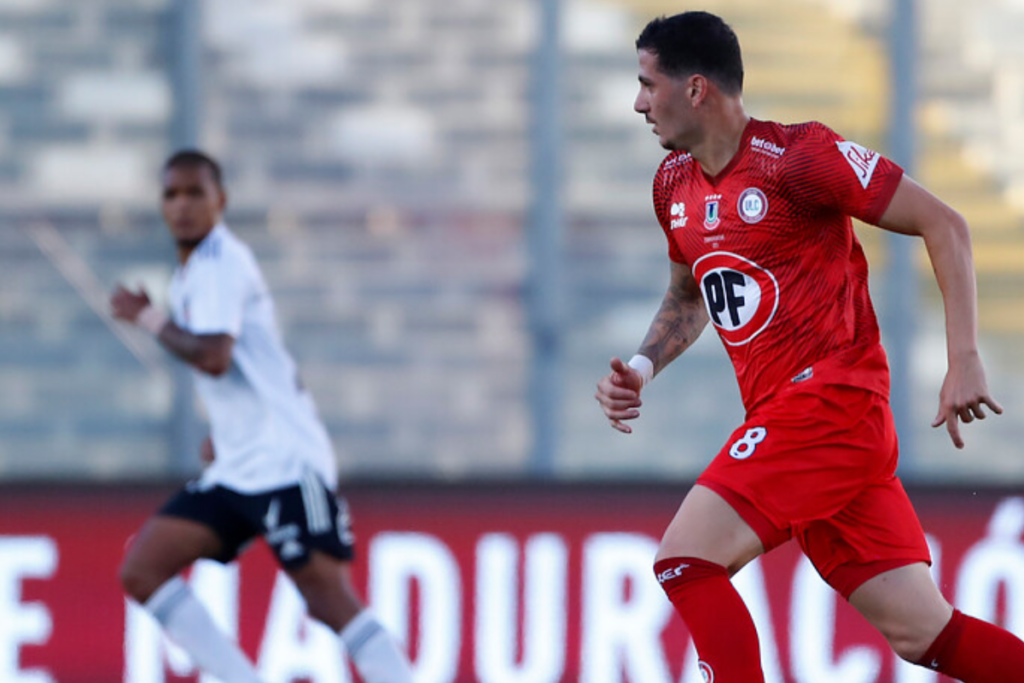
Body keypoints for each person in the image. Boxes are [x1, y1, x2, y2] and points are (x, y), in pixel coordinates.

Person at [594, 11, 1024, 683]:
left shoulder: (799, 159)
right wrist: (643, 366)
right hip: (806, 428)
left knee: (686, 558)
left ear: (697, 88)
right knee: (922, 630)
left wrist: (963, 356)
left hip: (830, 403)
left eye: (648, 84)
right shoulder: (673, 187)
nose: (639, 102)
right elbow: (689, 294)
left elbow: (945, 222)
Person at [112, 150, 414, 683]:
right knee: (144, 568)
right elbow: (240, 369)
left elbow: (214, 354)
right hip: (239, 464)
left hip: (284, 461)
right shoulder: (193, 274)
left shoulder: (221, 261)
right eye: (171, 194)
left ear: (220, 201)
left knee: (327, 600)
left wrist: (148, 317)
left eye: (194, 193)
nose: (181, 205)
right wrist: (223, 431)